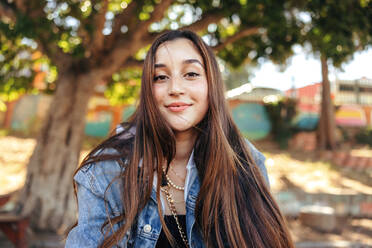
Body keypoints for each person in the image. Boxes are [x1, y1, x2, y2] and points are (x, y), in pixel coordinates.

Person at [65, 30, 294, 248]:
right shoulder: (108, 169)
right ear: (147, 90)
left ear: (211, 84)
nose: (175, 88)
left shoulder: (245, 162)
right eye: (161, 77)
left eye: (191, 74)